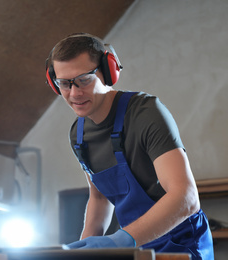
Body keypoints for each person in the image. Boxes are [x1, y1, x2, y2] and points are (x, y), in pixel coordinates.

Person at [45, 33, 214, 260]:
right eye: (65, 84)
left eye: (84, 79)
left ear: (107, 71)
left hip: (182, 244)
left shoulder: (146, 113)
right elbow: (99, 198)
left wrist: (121, 239)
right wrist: (82, 252)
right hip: (138, 247)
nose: (74, 93)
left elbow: (186, 198)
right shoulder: (78, 134)